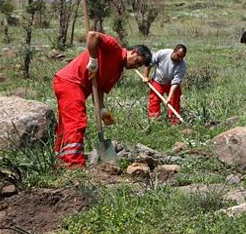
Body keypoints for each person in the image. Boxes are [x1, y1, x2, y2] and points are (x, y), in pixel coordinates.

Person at [53, 31, 152, 167]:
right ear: (134, 52)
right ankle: (74, 164)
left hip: (75, 87)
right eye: (137, 62)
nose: (135, 67)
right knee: (76, 121)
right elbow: (92, 35)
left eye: (139, 66)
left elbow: (99, 92)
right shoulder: (114, 48)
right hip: (70, 82)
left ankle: (60, 159)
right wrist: (93, 59)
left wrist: (106, 117)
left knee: (66, 124)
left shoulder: (117, 72)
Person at [142, 44, 187, 125]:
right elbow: (150, 62)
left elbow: (176, 82)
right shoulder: (163, 53)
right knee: (154, 100)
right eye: (179, 56)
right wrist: (145, 76)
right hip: (158, 81)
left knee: (175, 101)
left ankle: (173, 121)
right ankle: (154, 120)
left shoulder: (182, 65)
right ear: (174, 51)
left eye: (182, 57)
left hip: (172, 85)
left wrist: (169, 97)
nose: (180, 59)